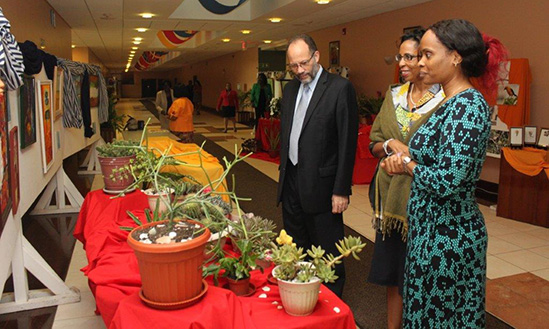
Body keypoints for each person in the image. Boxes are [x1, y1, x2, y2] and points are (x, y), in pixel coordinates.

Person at [380, 19, 507, 328]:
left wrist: (407, 165)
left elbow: (447, 180)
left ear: (455, 57)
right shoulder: (450, 101)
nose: (420, 62)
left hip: (448, 240)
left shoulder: (468, 105)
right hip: (429, 234)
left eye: (427, 54)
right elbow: (436, 161)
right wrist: (404, 160)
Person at [367, 28, 444, 329]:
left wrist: (409, 161)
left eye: (410, 56)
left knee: (420, 277)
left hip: (423, 205)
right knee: (393, 275)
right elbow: (374, 142)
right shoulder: (394, 95)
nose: (402, 63)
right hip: (391, 206)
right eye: (400, 56)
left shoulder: (444, 101)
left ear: (426, 59)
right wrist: (390, 146)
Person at [276, 34, 358, 297]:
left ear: (317, 56)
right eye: (293, 66)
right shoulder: (289, 90)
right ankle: (301, 295)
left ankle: (332, 305)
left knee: (327, 250)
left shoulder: (339, 88)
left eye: (303, 63)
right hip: (291, 180)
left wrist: (341, 189)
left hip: (323, 187)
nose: (299, 71)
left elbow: (347, 143)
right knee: (296, 246)